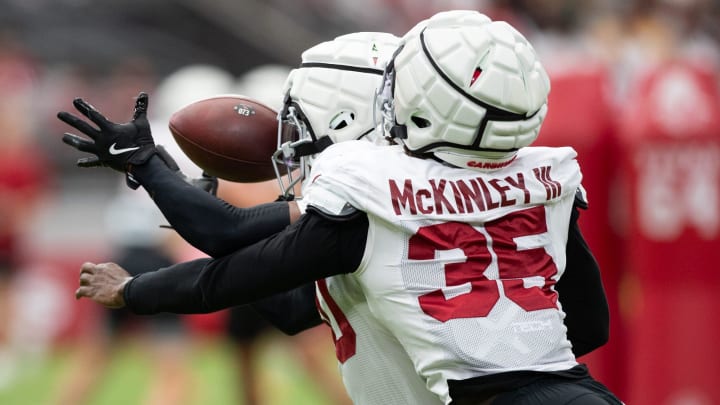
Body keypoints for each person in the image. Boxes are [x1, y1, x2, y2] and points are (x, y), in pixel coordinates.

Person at [60, 13, 618, 404]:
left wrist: (135, 283)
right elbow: (589, 325)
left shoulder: (373, 192)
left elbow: (229, 248)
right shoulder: (543, 176)